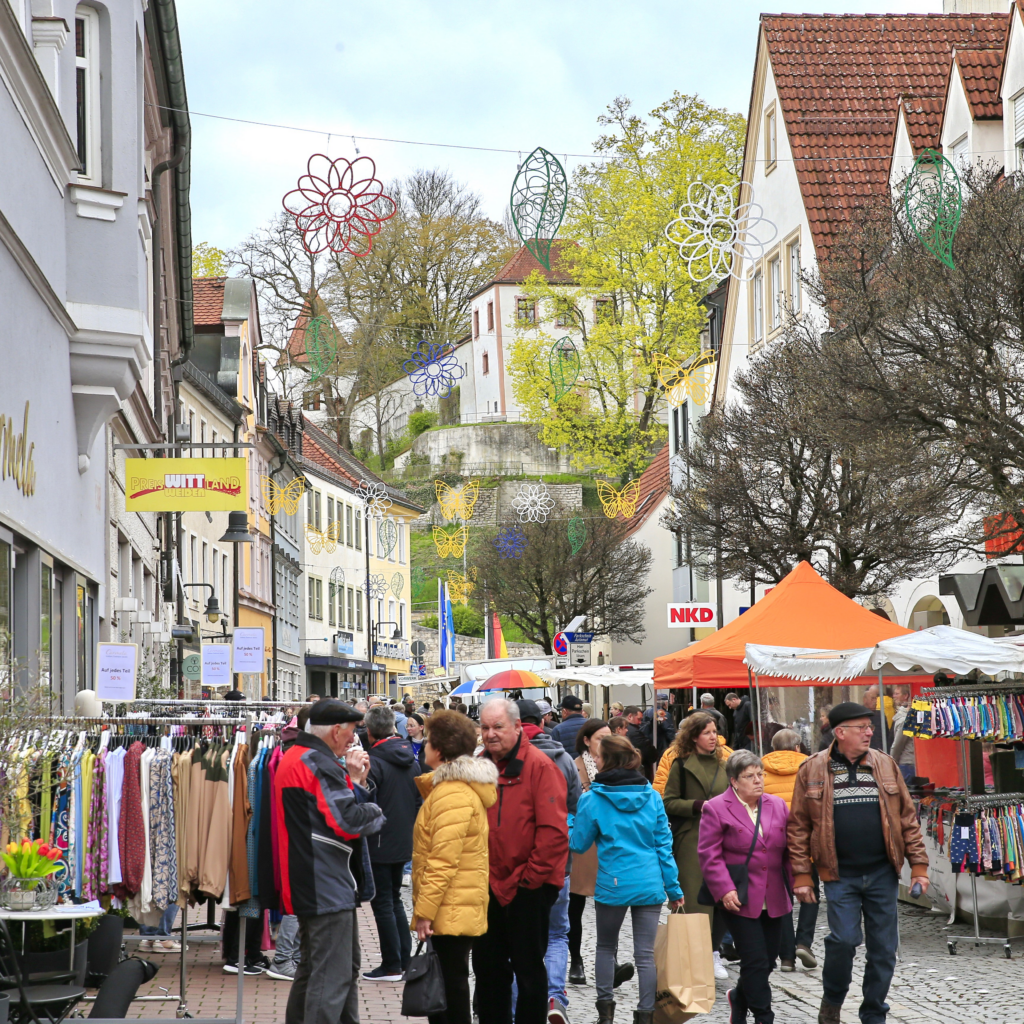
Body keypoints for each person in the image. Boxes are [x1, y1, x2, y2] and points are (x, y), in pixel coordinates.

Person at [788, 702, 929, 1024]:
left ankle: (873, 1013)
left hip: (882, 872)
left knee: (883, 950)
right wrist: (801, 875)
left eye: (870, 727)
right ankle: (833, 998)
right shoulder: (811, 769)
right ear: (840, 733)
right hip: (840, 875)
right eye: (862, 727)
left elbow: (907, 818)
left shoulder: (885, 764)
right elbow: (797, 827)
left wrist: (919, 867)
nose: (869, 732)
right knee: (845, 940)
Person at [274, 699, 385, 1024]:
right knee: (331, 977)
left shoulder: (297, 755)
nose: (353, 739)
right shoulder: (316, 762)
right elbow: (348, 821)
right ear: (335, 731)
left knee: (320, 971)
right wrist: (371, 804)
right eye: (350, 731)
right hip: (324, 881)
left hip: (313, 878)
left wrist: (355, 787)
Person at [571, 735, 683, 1024]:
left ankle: (606, 1014)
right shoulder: (652, 796)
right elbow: (663, 846)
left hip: (613, 882)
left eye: (597, 757)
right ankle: (645, 1016)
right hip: (649, 881)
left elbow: (579, 844)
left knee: (606, 947)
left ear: (607, 761)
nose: (593, 761)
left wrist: (570, 820)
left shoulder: (592, 799)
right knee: (645, 955)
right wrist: (673, 888)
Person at [473, 699, 569, 1024]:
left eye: (497, 727)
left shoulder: (540, 766)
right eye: (485, 727)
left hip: (528, 886)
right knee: (488, 968)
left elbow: (554, 833)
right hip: (487, 884)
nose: (490, 734)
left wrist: (528, 881)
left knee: (528, 969)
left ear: (516, 727)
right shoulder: (479, 766)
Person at [412, 710, 499, 1024]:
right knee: (449, 986)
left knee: (449, 991)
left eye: (427, 740)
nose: (422, 746)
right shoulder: (451, 790)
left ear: (440, 749)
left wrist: (425, 911)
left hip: (450, 905)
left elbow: (442, 861)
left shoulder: (452, 794)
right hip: (453, 903)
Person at [698, 751, 792, 1024]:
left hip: (774, 895)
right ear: (734, 781)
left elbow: (789, 850)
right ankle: (764, 1016)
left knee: (769, 961)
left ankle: (739, 997)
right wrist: (725, 889)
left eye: (760, 774)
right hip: (738, 896)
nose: (758, 781)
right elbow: (708, 854)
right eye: (749, 776)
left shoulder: (777, 805)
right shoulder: (716, 807)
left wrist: (799, 883)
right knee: (755, 960)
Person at [516, 699, 582, 1024]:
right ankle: (554, 996)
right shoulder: (565, 759)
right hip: (559, 861)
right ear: (541, 723)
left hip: (519, 862)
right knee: (557, 933)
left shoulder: (510, 758)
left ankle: (517, 1003)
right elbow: (575, 805)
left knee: (520, 938)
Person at [662, 711, 730, 981]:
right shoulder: (680, 764)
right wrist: (698, 806)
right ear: (694, 737)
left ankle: (714, 951)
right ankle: (695, 954)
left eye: (715, 732)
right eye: (707, 733)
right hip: (692, 837)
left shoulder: (727, 764)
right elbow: (668, 802)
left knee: (724, 895)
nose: (713, 737)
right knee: (694, 896)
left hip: (725, 837)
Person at [362, 704, 422, 982]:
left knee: (383, 902)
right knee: (393, 899)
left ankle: (391, 964)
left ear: (371, 731)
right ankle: (401, 959)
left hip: (380, 840)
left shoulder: (374, 761)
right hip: (402, 839)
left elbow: (363, 803)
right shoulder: (410, 758)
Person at [761, 729, 817, 973]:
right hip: (806, 842)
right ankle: (803, 942)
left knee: (782, 897)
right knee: (810, 892)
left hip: (775, 845)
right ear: (798, 748)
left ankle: (785, 957)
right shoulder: (811, 769)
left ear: (774, 749)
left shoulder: (760, 770)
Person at [568, 719, 610, 986]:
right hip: (583, 846)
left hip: (610, 845)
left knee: (610, 908)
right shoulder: (574, 767)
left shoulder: (619, 765)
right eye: (600, 738)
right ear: (586, 740)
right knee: (575, 907)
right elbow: (567, 807)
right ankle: (576, 960)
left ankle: (610, 961)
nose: (605, 743)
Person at [889, 687, 916, 785]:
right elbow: (898, 744)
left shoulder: (904, 719)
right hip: (907, 761)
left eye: (897, 693)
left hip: (906, 762)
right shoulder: (905, 719)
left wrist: (892, 761)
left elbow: (897, 744)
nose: (894, 696)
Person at [622, 707, 656, 773]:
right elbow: (647, 751)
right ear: (630, 716)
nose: (640, 722)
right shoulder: (633, 732)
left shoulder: (632, 730)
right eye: (639, 719)